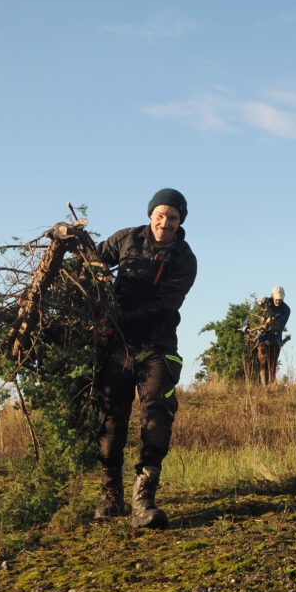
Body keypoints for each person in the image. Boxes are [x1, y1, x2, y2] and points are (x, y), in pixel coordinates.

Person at [93, 188, 197, 529]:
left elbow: (167, 304)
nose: (165, 223)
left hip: (157, 345)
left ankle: (144, 498)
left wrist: (120, 318)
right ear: (151, 214)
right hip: (117, 345)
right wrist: (93, 276)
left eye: (173, 218)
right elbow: (92, 259)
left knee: (157, 414)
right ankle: (111, 495)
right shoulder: (126, 239)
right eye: (160, 215)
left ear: (181, 221)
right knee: (110, 419)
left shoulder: (184, 257)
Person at [255, 286, 291, 386]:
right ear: (272, 296)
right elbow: (258, 313)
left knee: (272, 365)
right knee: (263, 361)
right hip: (262, 337)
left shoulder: (286, 310)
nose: (278, 301)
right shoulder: (266, 303)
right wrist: (260, 304)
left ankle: (271, 386)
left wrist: (270, 324)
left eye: (280, 299)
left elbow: (279, 326)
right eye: (276, 298)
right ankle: (264, 386)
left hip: (275, 339)